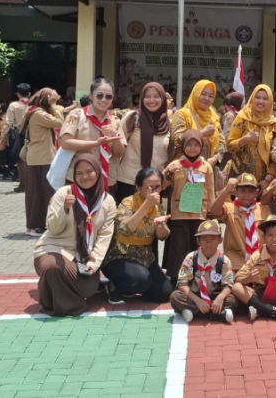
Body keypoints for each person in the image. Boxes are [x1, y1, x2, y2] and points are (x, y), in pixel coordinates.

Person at [33, 155, 116, 316]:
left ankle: (52, 285)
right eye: (79, 173)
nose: (84, 176)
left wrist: (94, 262)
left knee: (89, 289)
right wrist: (64, 209)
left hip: (84, 257)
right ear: (73, 175)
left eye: (89, 171)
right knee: (53, 267)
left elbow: (105, 236)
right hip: (54, 249)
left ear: (97, 172)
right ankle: (62, 305)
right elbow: (52, 228)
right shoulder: (64, 193)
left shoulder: (107, 201)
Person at [101, 168, 172, 305]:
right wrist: (146, 205)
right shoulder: (128, 202)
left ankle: (133, 286)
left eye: (158, 187)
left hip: (145, 257)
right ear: (138, 187)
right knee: (142, 280)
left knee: (164, 293)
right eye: (149, 188)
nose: (154, 191)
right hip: (120, 255)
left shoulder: (158, 207)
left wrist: (160, 225)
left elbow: (162, 237)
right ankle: (114, 286)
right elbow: (125, 230)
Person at [162, 130, 216, 279]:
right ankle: (176, 279)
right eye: (189, 145)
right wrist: (168, 173)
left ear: (201, 146)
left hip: (199, 213)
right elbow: (162, 185)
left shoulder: (206, 166)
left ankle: (197, 279)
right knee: (179, 248)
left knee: (197, 247)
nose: (192, 148)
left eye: (196, 145)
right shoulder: (175, 165)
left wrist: (211, 212)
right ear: (183, 146)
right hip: (179, 214)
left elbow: (210, 189)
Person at [58, 77, 126, 191]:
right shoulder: (76, 115)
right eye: (99, 95)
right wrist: (96, 143)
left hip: (107, 180)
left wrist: (115, 136)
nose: (104, 100)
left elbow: (119, 153)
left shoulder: (115, 121)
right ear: (91, 95)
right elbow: (65, 143)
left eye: (108, 96)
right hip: (80, 179)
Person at [170, 219, 236, 324]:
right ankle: (217, 315)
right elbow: (182, 284)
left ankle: (194, 312)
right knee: (175, 296)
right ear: (198, 241)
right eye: (204, 239)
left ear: (220, 240)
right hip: (195, 295)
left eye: (213, 239)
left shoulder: (224, 261)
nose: (209, 243)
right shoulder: (191, 258)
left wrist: (220, 298)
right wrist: (198, 301)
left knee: (232, 300)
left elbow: (228, 285)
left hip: (214, 295)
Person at [116, 83, 171, 204]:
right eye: (147, 96)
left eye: (156, 96)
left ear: (163, 99)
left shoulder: (168, 124)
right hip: (129, 181)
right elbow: (119, 146)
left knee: (152, 216)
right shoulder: (132, 118)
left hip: (156, 185)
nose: (152, 100)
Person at [20, 88, 64, 236]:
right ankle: (36, 225)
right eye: (52, 97)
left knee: (36, 192)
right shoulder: (39, 113)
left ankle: (33, 225)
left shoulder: (34, 111)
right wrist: (54, 105)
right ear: (46, 99)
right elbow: (59, 122)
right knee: (42, 192)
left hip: (38, 157)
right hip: (42, 158)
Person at [210, 173, 271, 271]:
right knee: (234, 279)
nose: (246, 195)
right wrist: (226, 190)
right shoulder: (230, 208)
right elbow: (214, 211)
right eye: (242, 191)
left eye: (250, 191)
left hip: (259, 261)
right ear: (235, 192)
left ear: (256, 193)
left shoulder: (263, 209)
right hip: (235, 261)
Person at [227, 84, 276, 190]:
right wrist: (245, 139)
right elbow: (229, 146)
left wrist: (267, 180)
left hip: (263, 183)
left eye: (265, 99)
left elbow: (275, 156)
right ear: (252, 98)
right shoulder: (242, 118)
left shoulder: (273, 125)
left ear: (270, 102)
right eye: (257, 97)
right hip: (240, 181)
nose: (261, 101)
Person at [171, 79, 222, 167]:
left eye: (211, 96)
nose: (207, 98)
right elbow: (176, 139)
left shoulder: (214, 116)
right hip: (185, 169)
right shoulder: (182, 114)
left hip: (208, 168)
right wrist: (201, 133)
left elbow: (222, 141)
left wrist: (215, 158)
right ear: (196, 93)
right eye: (203, 94)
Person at [0, 83, 31, 190]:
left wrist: (3, 135)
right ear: (29, 94)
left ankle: (23, 184)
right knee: (31, 159)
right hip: (33, 134)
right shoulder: (33, 105)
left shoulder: (13, 105)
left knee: (20, 159)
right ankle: (31, 184)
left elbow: (8, 122)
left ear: (17, 94)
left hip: (18, 134)